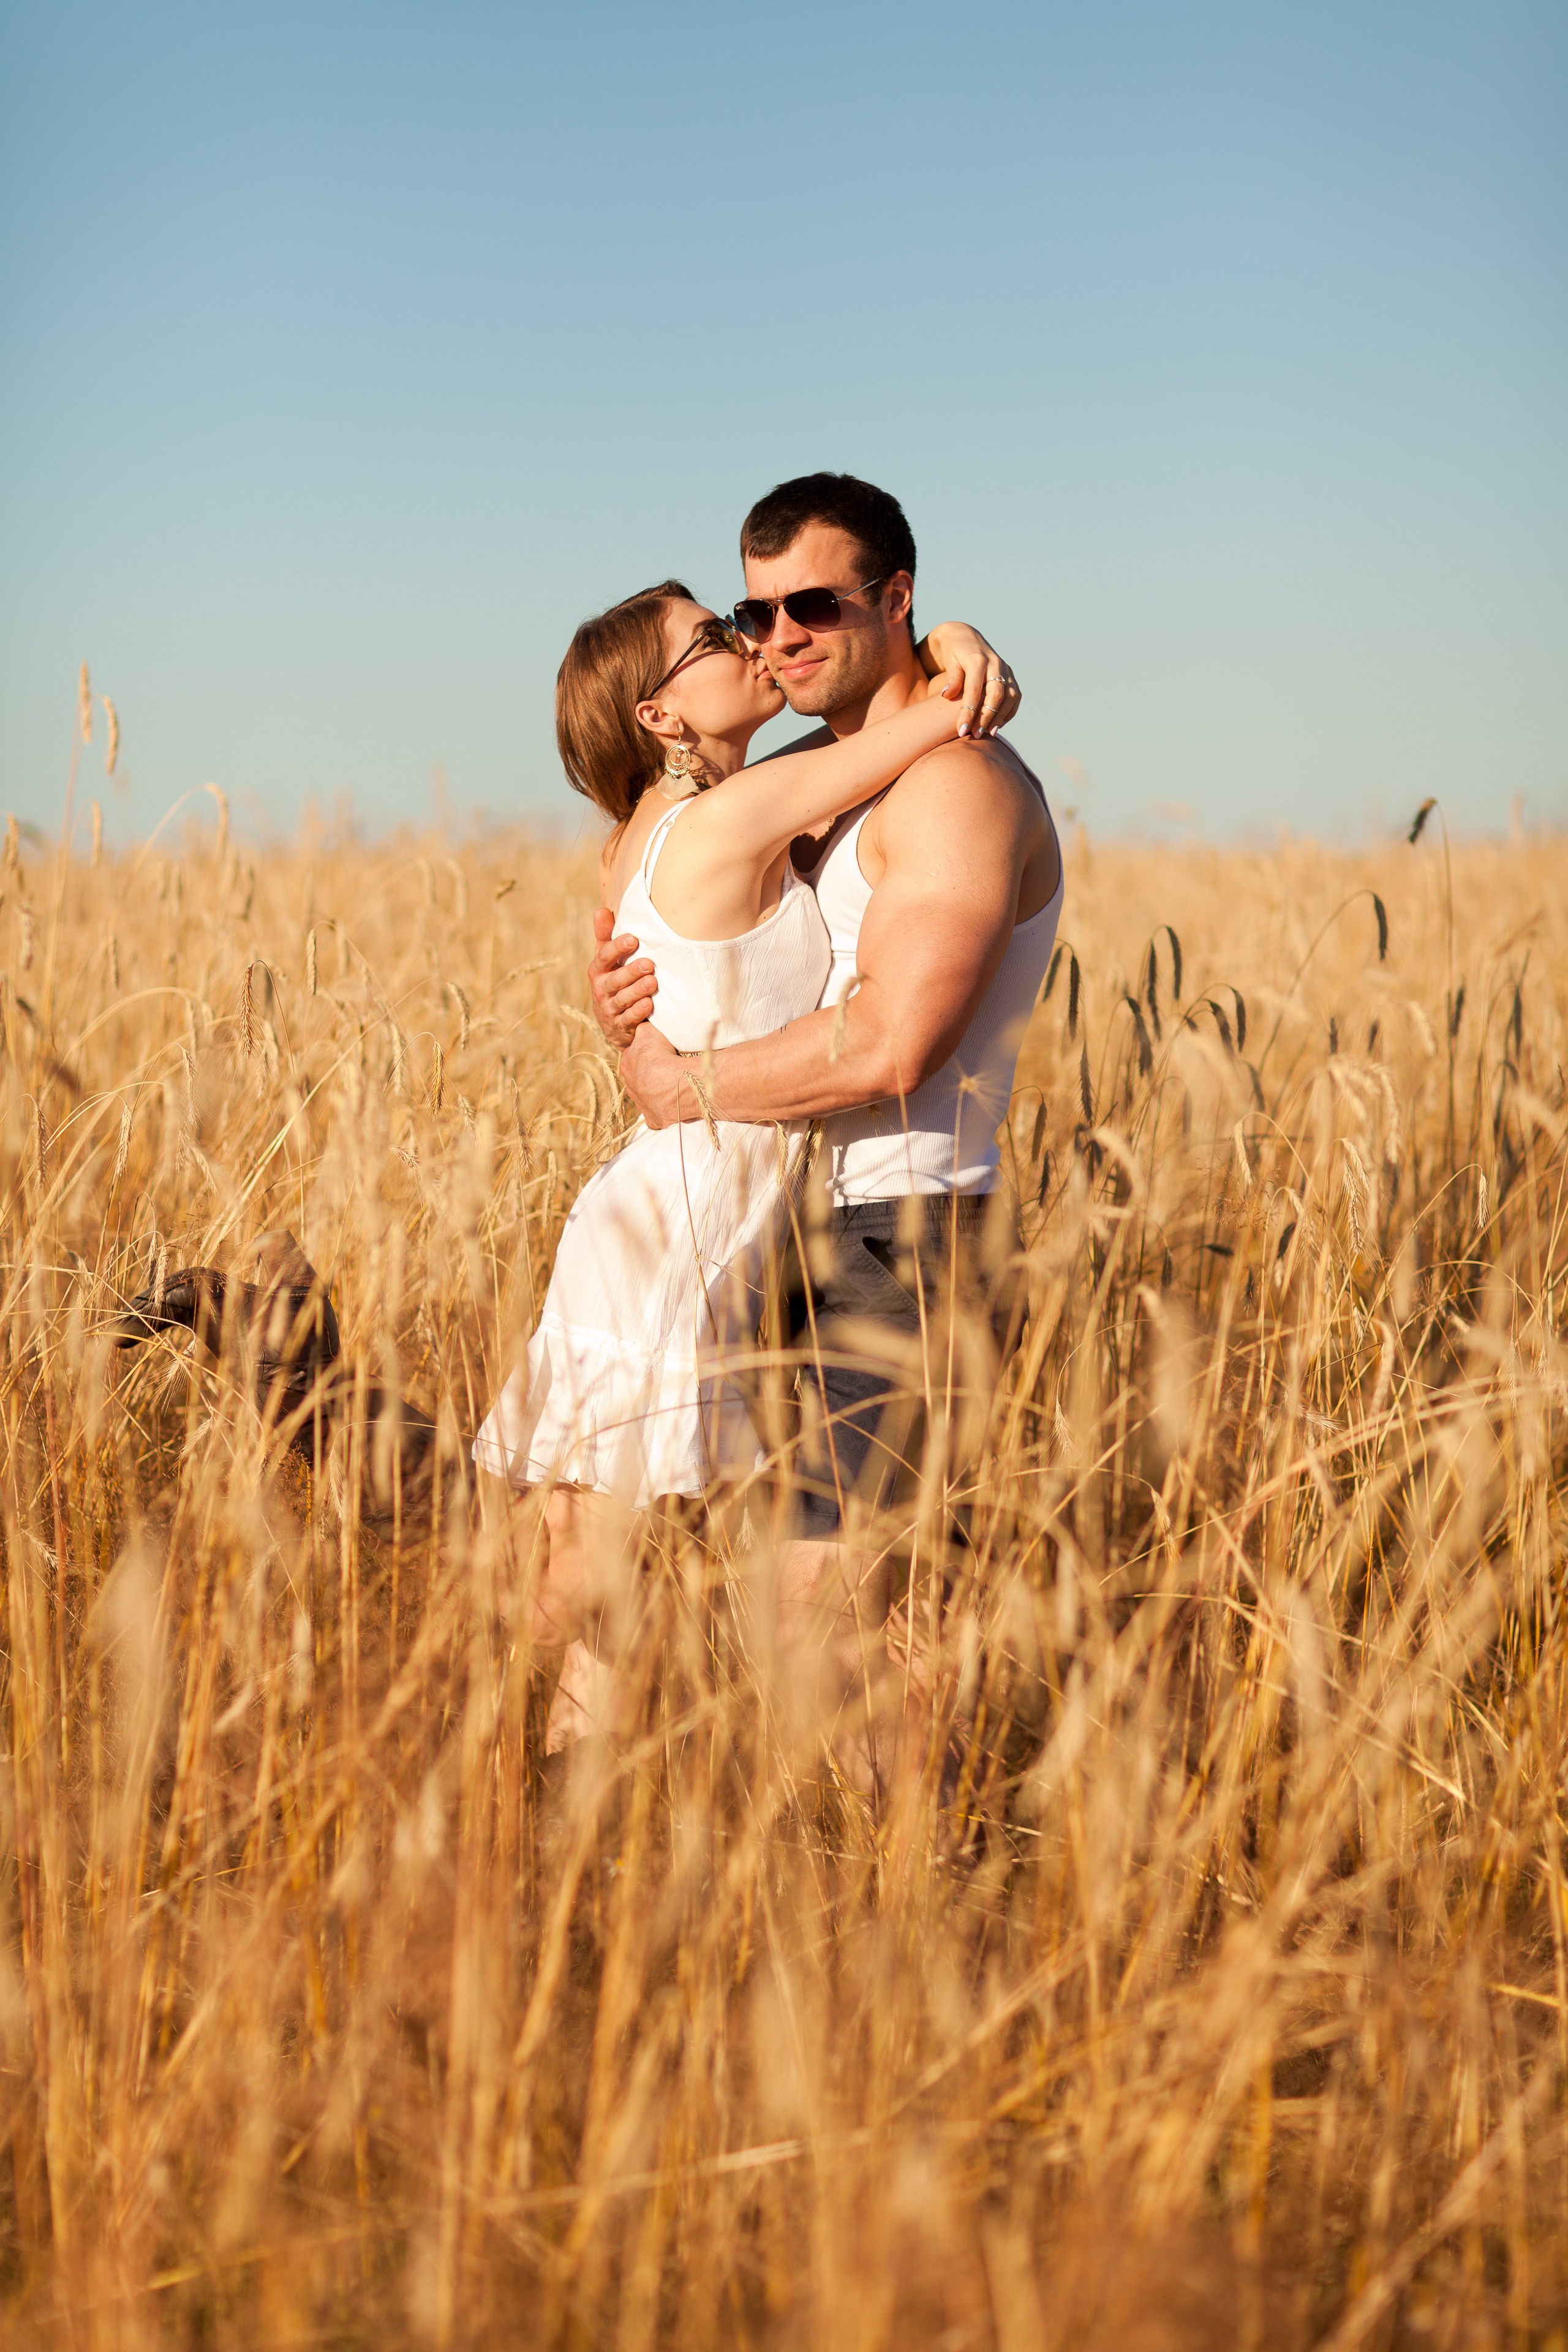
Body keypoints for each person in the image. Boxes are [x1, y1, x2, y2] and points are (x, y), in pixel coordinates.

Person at [473, 579, 1020, 1746]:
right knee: (587, 1574)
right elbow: (936, 717)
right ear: (661, 720)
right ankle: (414, 1626)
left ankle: (572, 1838)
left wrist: (940, 633)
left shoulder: (642, 840)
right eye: (714, 640)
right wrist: (962, 655)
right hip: (682, 1225)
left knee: (621, 1585)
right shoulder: (730, 819)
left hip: (698, 1209)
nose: (749, 645)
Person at [590, 475, 1063, 1776]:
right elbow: (684, 901)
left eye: (814, 604)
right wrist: (625, 1008)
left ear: (893, 597)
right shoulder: (833, 771)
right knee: (778, 1605)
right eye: (757, 610)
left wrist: (687, 1085)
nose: (780, 635)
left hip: (902, 1233)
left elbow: (892, 1040)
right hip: (775, 1224)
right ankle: (867, 1913)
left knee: (837, 1622)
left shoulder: (953, 787)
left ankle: (909, 1916)